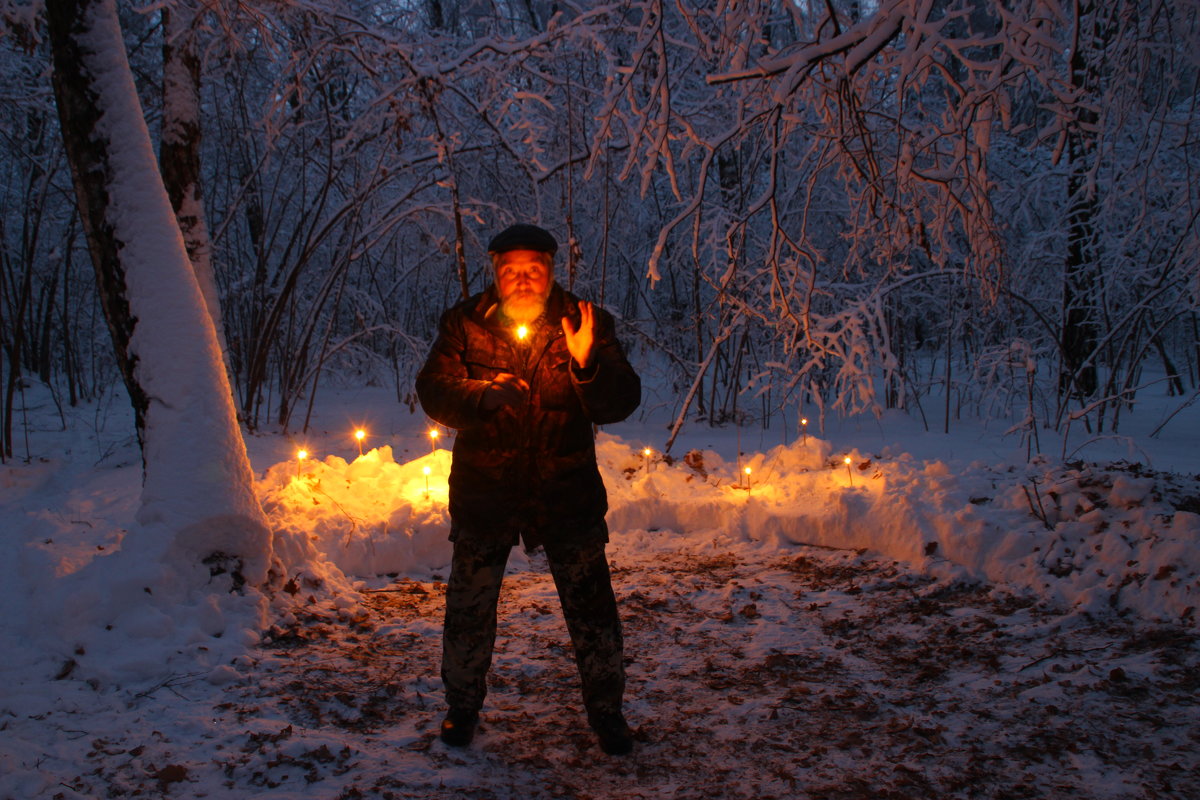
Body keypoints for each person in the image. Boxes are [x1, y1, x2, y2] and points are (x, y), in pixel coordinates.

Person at [416, 223, 641, 755]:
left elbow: (621, 401)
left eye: (533, 269)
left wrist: (586, 363)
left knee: (591, 608)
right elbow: (434, 390)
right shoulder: (465, 323)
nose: (522, 279)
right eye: (511, 270)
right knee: (469, 607)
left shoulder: (584, 321)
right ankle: (461, 706)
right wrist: (482, 395)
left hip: (565, 491)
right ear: (495, 271)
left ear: (550, 271)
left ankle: (607, 711)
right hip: (486, 490)